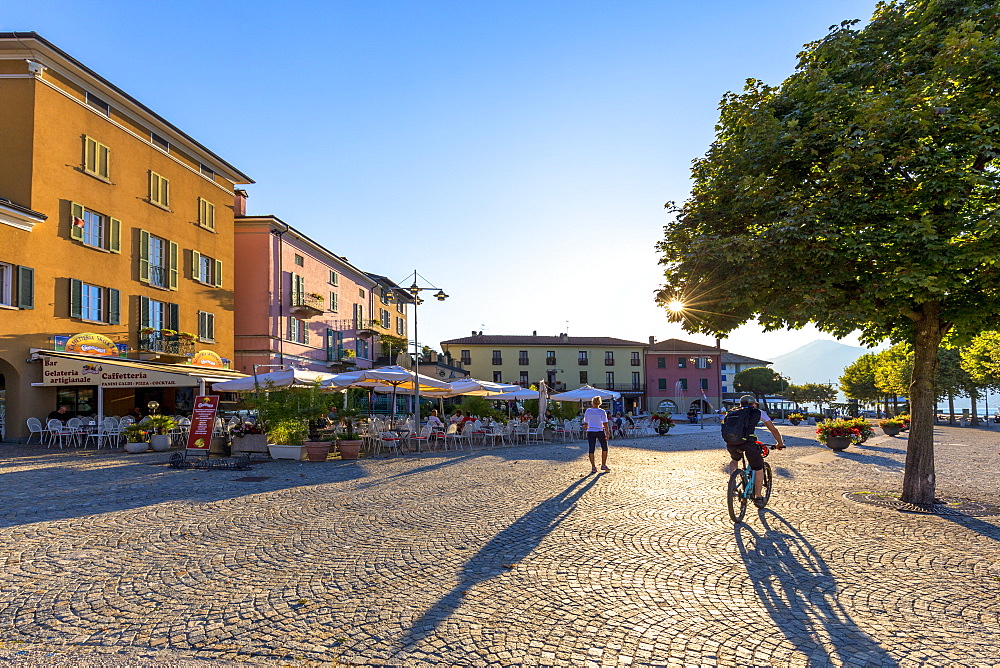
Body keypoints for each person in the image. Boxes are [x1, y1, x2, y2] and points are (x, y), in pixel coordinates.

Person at [726, 395, 785, 508]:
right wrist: (780, 443)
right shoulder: (759, 412)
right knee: (758, 468)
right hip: (748, 443)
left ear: (741, 404)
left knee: (734, 459)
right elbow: (773, 430)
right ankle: (758, 496)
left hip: (731, 442)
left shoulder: (732, 412)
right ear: (753, 404)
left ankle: (732, 485)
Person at [584, 397, 612, 473]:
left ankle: (593, 466)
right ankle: (603, 464)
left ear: (592, 402)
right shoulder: (602, 412)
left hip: (591, 430)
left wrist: (587, 429)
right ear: (600, 403)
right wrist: (607, 432)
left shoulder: (588, 411)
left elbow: (586, 423)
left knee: (591, 449)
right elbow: (605, 423)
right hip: (600, 430)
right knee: (604, 448)